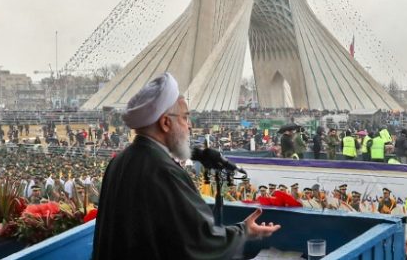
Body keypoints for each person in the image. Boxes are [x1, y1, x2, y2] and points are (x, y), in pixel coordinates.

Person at [93, 73, 280, 260]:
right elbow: (201, 243)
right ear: (166, 122)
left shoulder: (118, 162)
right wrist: (244, 231)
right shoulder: (164, 171)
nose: (189, 126)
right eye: (185, 118)